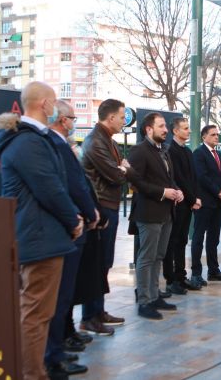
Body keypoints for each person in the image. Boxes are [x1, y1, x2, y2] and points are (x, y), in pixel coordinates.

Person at [0, 81, 84, 380]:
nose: (56, 108)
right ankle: (32, 373)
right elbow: (50, 188)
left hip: (41, 236)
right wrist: (73, 219)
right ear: (44, 104)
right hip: (40, 238)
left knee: (38, 313)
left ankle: (34, 368)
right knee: (36, 315)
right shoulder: (28, 141)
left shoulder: (30, 138)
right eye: (54, 102)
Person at [45, 100, 98, 378]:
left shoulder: (61, 144)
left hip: (73, 224)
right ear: (62, 120)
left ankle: (62, 340)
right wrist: (86, 213)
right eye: (73, 118)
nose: (74, 123)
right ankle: (53, 354)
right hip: (68, 226)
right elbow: (67, 186)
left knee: (66, 292)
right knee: (60, 295)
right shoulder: (53, 144)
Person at [80, 99, 135, 334]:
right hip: (100, 206)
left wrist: (122, 168)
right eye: (122, 117)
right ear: (110, 117)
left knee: (104, 261)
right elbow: (116, 175)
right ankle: (89, 316)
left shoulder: (106, 139)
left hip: (107, 205)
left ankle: (98, 311)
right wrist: (123, 168)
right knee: (97, 262)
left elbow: (120, 171)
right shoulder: (95, 141)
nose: (125, 121)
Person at [128, 112, 182, 320]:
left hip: (166, 212)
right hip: (149, 212)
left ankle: (154, 295)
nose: (166, 130)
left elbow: (169, 179)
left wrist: (177, 190)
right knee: (146, 258)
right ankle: (144, 301)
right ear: (149, 129)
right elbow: (135, 182)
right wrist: (162, 193)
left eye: (165, 127)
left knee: (158, 256)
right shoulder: (139, 151)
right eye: (161, 126)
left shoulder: (164, 151)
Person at [163, 118, 202, 295]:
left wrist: (196, 197)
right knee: (173, 241)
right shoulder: (170, 150)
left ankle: (181, 275)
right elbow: (178, 178)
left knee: (182, 240)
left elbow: (193, 177)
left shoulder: (187, 151)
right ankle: (171, 279)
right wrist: (193, 198)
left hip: (188, 203)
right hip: (177, 202)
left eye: (189, 128)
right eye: (185, 129)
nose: (189, 131)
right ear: (175, 131)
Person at [191, 125, 221, 287]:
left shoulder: (219, 154)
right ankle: (196, 273)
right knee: (198, 238)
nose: (216, 137)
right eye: (213, 135)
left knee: (213, 238)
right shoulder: (199, 153)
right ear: (204, 137)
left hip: (217, 203)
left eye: (217, 134)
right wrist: (217, 191)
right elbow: (202, 177)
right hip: (204, 202)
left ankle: (213, 270)